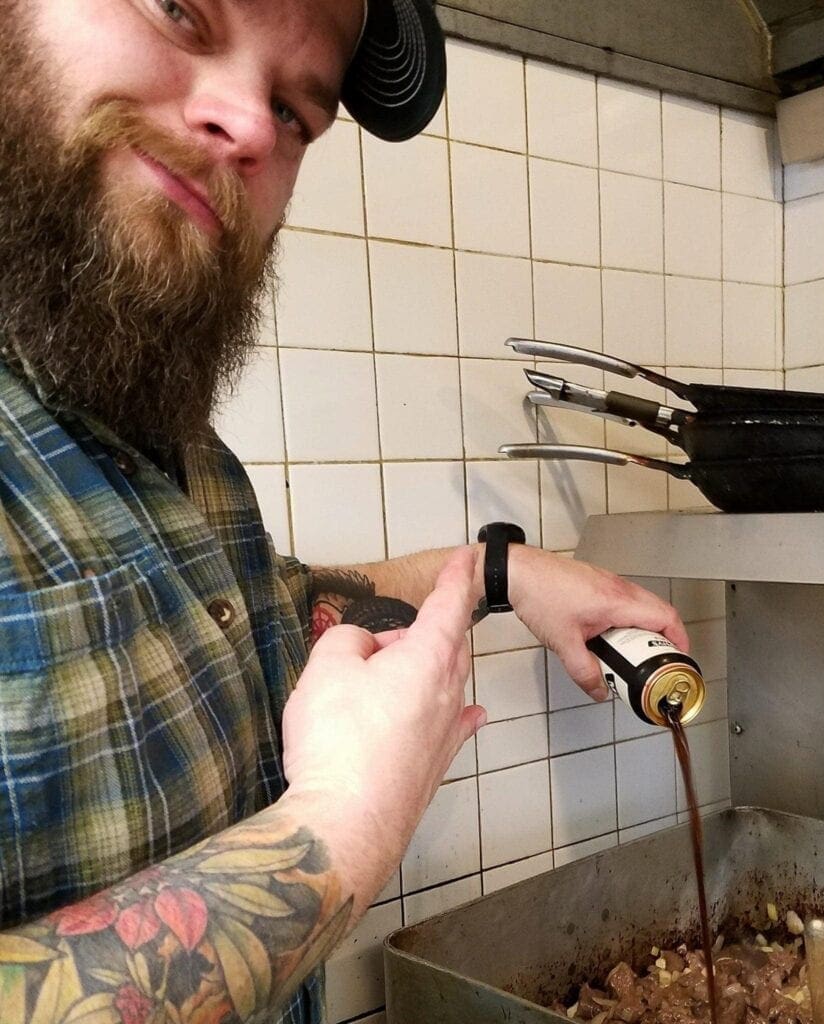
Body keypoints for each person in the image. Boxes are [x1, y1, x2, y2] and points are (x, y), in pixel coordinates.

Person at [0, 1, 690, 1022]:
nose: (245, 122)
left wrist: (498, 573)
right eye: (182, 8)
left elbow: (257, 619)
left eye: (293, 111)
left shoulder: (164, 448)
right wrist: (337, 830)